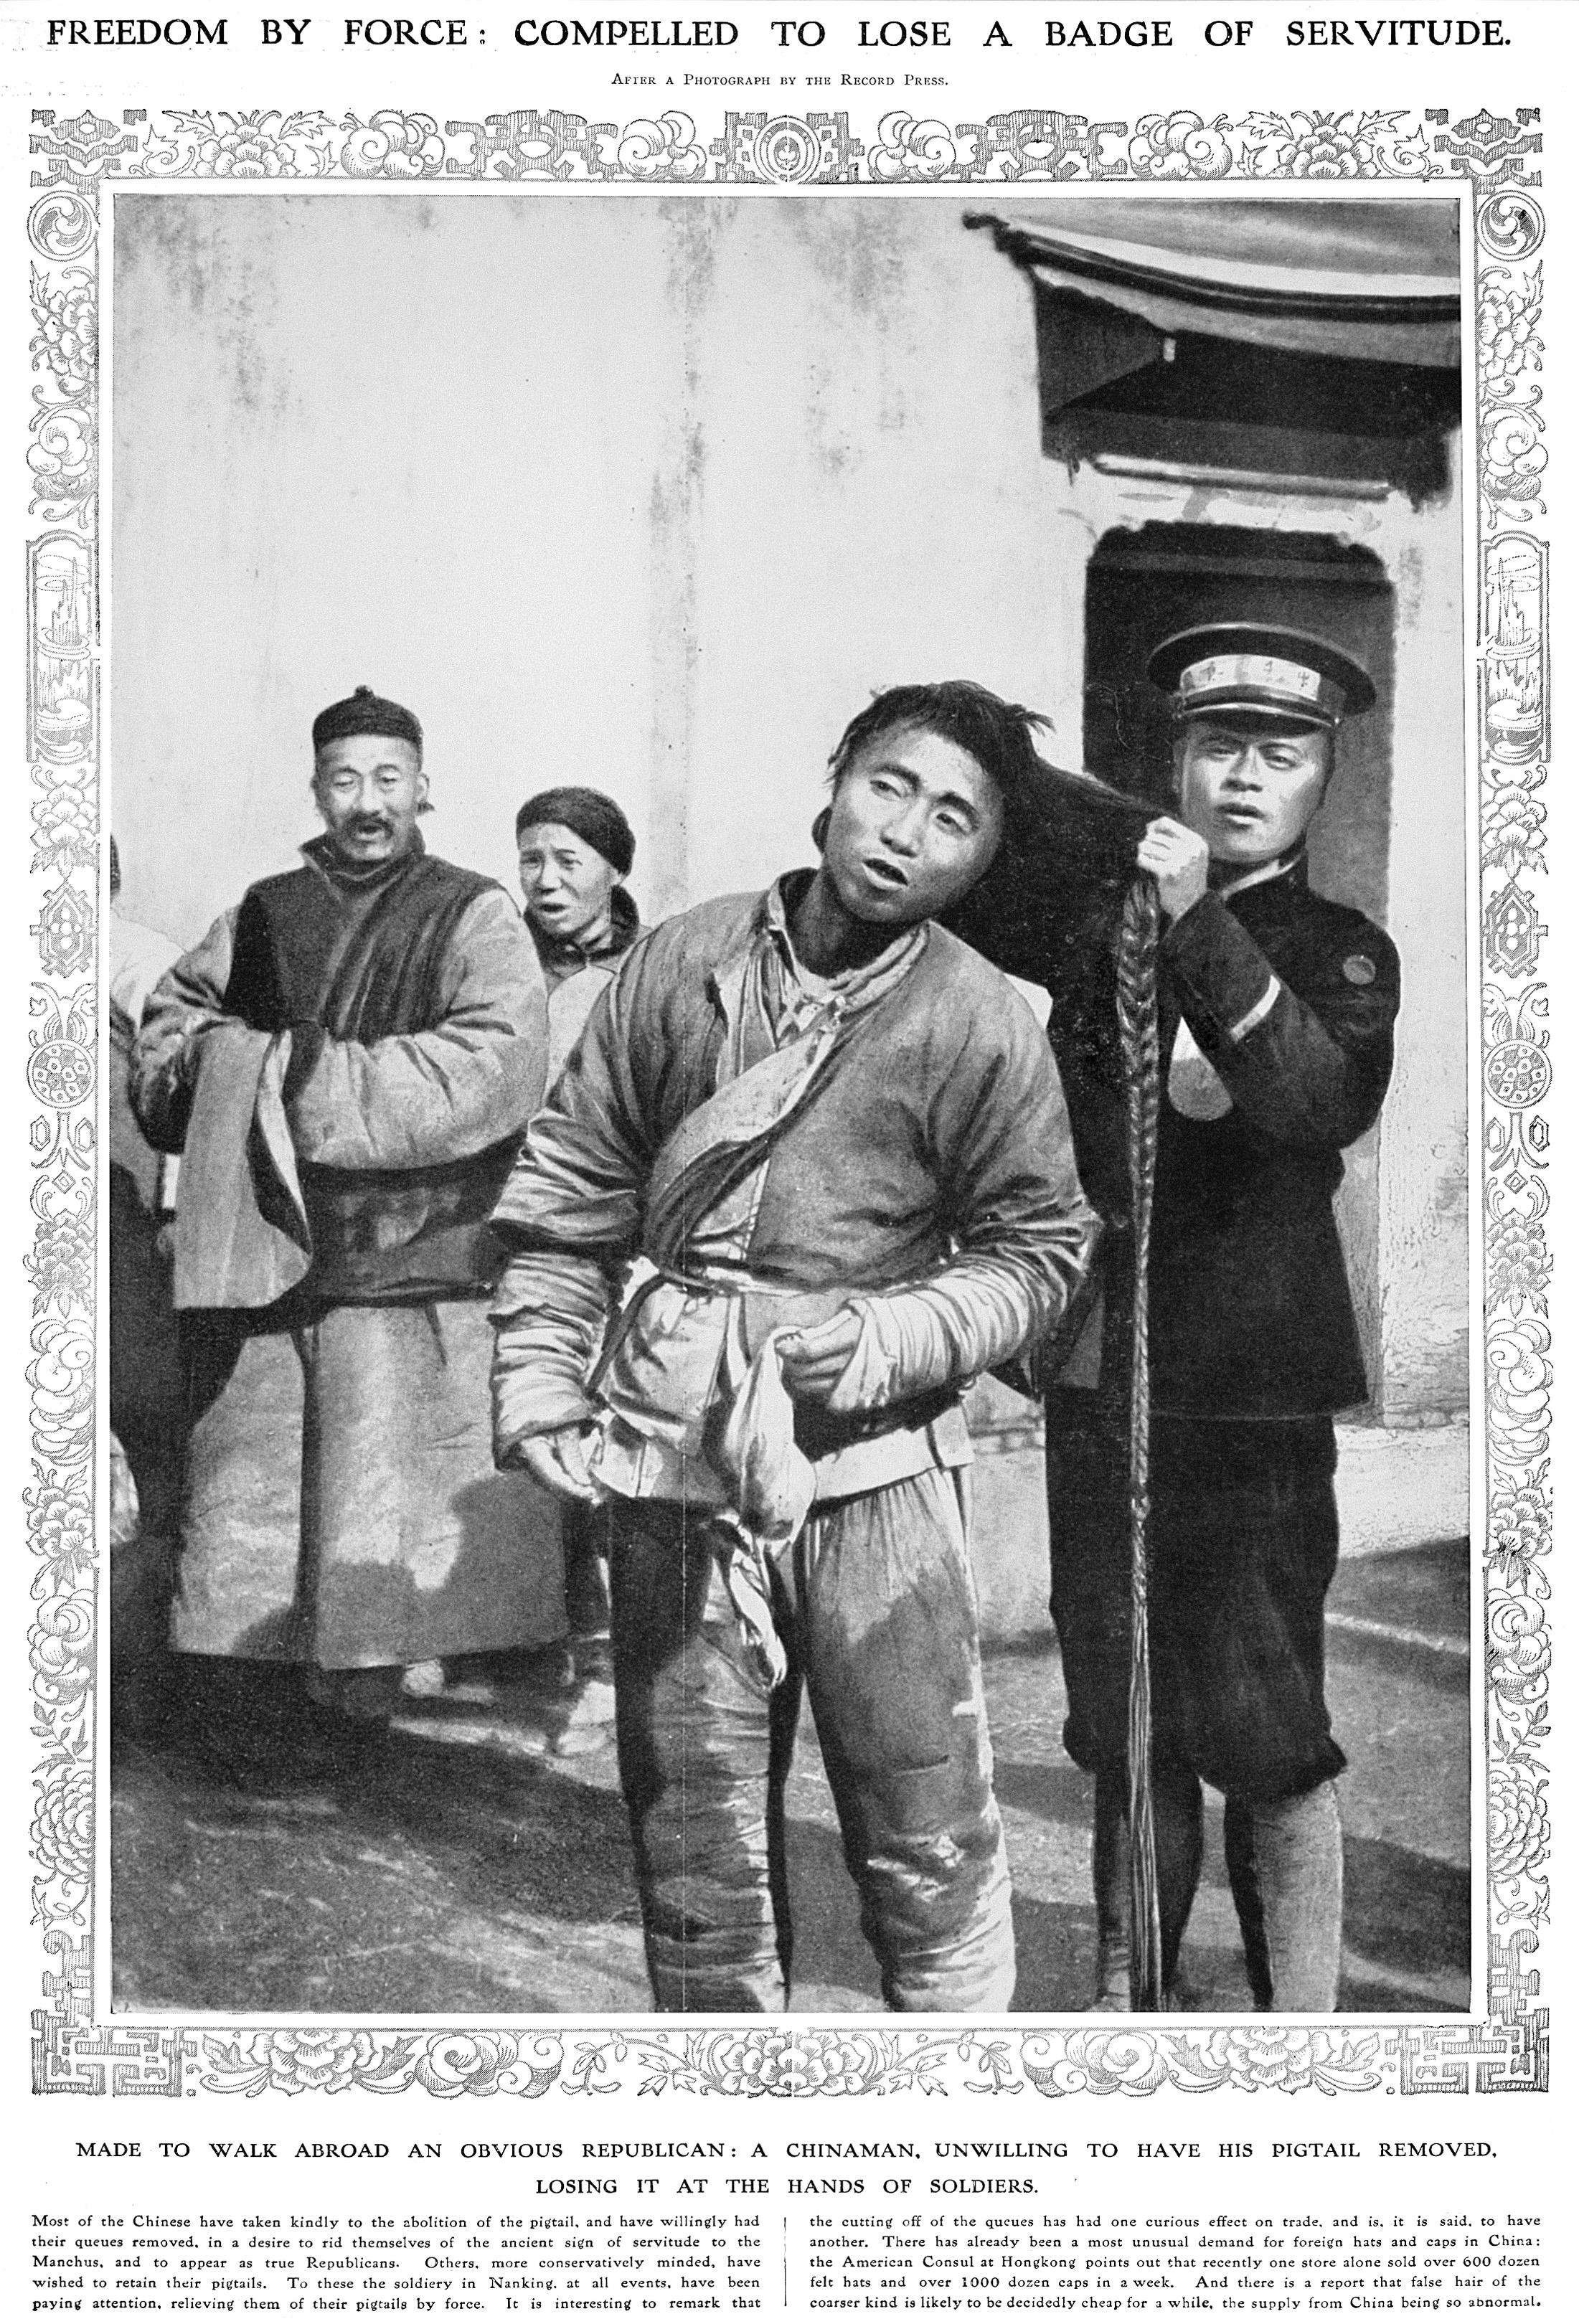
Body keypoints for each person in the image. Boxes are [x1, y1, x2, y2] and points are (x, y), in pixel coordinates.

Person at [489, 680, 1098, 2012]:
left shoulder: (979, 1016)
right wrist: (539, 1378)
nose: (904, 832)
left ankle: (952, 2105)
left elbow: (1041, 1252)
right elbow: (573, 1180)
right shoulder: (683, 961)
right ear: (834, 786)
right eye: (889, 786)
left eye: (953, 819)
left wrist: (891, 1336)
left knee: (923, 1826)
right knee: (691, 1834)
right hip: (675, 1443)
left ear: (980, 861)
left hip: (875, 1461)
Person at [1028, 625, 1400, 2013]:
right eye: (1216, 747)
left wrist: (1197, 924)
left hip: (1250, 1389)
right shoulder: (1098, 944)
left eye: (1278, 753)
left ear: (1320, 779)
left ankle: (1296, 2025)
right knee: (1123, 1721)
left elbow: (1311, 1103)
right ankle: (1131, 2001)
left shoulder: (1344, 952)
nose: (1244, 777)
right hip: (1106, 1377)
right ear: (1174, 765)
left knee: (1262, 1719)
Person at [131, 686, 560, 1772]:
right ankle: (260, 1711)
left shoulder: (472, 912)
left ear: (424, 788)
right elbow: (174, 1030)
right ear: (317, 791)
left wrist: (300, 1083)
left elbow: (496, 1061)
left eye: (388, 779)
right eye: (344, 780)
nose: (367, 802)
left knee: (379, 1522)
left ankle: (370, 1714)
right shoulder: (264, 910)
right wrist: (225, 1068)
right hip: (271, 1254)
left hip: (413, 1260)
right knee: (258, 1514)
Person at [514, 785, 648, 1742]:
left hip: (619, 1236)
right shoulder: (497, 965)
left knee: (608, 1444)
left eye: (568, 860)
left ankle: (607, 1669)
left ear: (614, 869)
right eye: (532, 860)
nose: (547, 880)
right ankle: (542, 1646)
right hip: (518, 1231)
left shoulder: (653, 971)